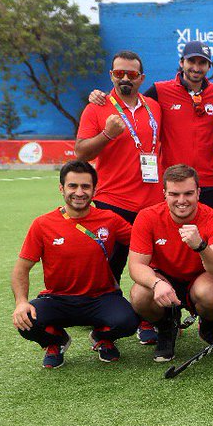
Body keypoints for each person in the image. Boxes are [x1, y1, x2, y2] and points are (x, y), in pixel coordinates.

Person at [11, 161, 138, 368]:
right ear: (62, 188)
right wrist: (21, 302)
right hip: (57, 299)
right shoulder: (42, 224)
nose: (79, 192)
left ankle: (101, 336)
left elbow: (141, 243)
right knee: (26, 321)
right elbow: (21, 269)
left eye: (85, 187)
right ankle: (56, 341)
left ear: (94, 190)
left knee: (128, 321)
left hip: (101, 298)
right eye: (73, 186)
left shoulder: (110, 219)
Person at [87, 40, 213, 212]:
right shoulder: (161, 90)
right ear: (181, 63)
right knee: (172, 236)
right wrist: (101, 96)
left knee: (210, 235)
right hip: (174, 183)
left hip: (210, 182)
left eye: (202, 63)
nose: (196, 67)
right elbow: (130, 101)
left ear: (209, 66)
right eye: (191, 61)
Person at [126, 164, 213, 363]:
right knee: (139, 294)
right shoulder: (147, 217)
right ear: (164, 194)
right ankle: (166, 328)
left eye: (188, 193)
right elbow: (136, 266)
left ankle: (208, 327)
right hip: (164, 277)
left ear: (198, 193)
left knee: (210, 291)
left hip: (199, 278)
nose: (181, 200)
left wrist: (200, 246)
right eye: (174, 194)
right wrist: (156, 284)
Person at [75, 50, 163, 278]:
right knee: (107, 271)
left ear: (141, 78)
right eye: (119, 73)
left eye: (131, 74)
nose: (125, 78)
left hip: (152, 205)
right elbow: (81, 153)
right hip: (113, 203)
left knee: (156, 270)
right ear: (111, 75)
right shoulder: (96, 107)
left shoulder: (154, 106)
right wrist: (107, 134)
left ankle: (154, 314)